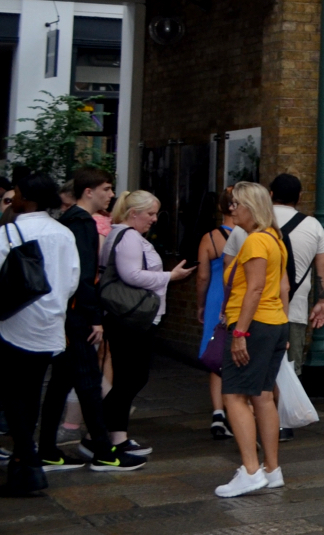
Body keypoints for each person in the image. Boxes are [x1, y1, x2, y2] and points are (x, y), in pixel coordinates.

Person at [38, 168, 139, 471]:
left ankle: (46, 449)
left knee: (61, 383)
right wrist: (94, 317)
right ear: (88, 192)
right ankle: (103, 452)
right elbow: (82, 275)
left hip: (66, 313)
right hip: (77, 315)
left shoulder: (68, 221)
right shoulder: (82, 224)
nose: (111, 195)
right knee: (89, 382)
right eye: (106, 189)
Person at [1, 174, 81, 496]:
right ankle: (23, 459)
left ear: (26, 197)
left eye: (16, 192)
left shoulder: (10, 231)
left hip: (14, 323)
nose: (14, 198)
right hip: (51, 326)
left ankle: (29, 463)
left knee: (11, 394)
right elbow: (73, 278)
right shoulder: (64, 233)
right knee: (30, 392)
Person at [100, 190, 192, 458]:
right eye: (150, 214)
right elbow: (131, 275)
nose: (153, 219)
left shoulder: (122, 234)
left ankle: (115, 436)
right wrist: (170, 276)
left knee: (129, 377)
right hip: (132, 318)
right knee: (133, 376)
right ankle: (99, 433)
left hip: (128, 317)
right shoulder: (128, 236)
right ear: (133, 214)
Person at [216, 182, 291, 496]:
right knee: (262, 395)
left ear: (251, 207)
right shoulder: (274, 237)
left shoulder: (255, 241)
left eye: (237, 204)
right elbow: (281, 286)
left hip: (255, 325)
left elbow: (255, 288)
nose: (233, 209)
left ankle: (250, 470)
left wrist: (239, 334)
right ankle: (272, 469)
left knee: (233, 395)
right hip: (274, 323)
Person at [270, 175, 324, 388]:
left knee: (256, 370)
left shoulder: (251, 223)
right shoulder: (312, 226)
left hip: (254, 311)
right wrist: (323, 301)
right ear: (299, 196)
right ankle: (283, 418)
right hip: (294, 310)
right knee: (290, 370)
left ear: (270, 195)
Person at [197, 216, 244, 438]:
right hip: (236, 297)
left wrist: (201, 304)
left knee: (216, 354)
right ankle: (238, 411)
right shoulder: (249, 234)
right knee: (236, 355)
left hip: (216, 298)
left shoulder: (210, 238)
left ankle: (218, 414)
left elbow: (203, 276)